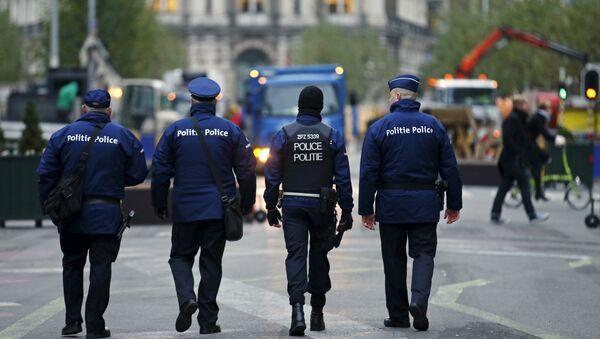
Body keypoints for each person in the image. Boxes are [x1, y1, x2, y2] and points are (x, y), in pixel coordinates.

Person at [37, 89, 148, 339]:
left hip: (71, 212)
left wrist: (49, 206)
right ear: (109, 111)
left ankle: (72, 321)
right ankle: (95, 325)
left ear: (83, 109)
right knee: (101, 267)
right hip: (106, 212)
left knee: (72, 263)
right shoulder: (122, 135)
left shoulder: (63, 135)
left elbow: (45, 174)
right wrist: (115, 178)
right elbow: (139, 173)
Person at [151, 77, 256, 335]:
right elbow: (246, 170)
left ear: (192, 100)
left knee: (180, 257)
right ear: (215, 102)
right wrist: (247, 202)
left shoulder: (175, 130)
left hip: (186, 208)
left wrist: (159, 203)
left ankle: (187, 298)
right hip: (218, 209)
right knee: (211, 263)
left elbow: (160, 171)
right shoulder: (230, 130)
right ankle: (208, 321)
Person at [359, 75, 462, 332]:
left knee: (394, 261)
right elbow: (450, 167)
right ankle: (418, 300)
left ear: (395, 97)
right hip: (425, 204)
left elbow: (369, 172)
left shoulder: (379, 128)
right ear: (413, 97)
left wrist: (366, 209)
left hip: (391, 205)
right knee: (424, 254)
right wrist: (454, 204)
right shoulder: (433, 126)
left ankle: (398, 315)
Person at [264, 85, 353, 336]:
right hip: (322, 206)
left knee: (295, 256)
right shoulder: (332, 135)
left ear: (300, 107)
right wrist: (347, 209)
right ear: (320, 108)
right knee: (318, 256)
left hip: (292, 205)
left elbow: (272, 174)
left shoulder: (284, 134)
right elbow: (343, 178)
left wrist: (271, 206)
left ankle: (297, 311)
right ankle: (317, 314)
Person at [491, 95, 550, 224]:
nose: (528, 107)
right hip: (514, 161)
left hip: (512, 161)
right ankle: (532, 215)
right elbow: (508, 139)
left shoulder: (519, 119)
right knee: (524, 186)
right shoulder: (513, 120)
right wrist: (518, 152)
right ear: (519, 106)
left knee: (505, 187)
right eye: (525, 104)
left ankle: (495, 214)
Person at [526, 101, 566, 201]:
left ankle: (538, 191)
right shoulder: (540, 118)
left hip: (530, 143)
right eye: (549, 109)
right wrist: (556, 140)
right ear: (545, 109)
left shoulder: (538, 117)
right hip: (528, 144)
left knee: (539, 164)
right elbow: (545, 133)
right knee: (540, 162)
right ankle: (538, 191)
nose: (551, 111)